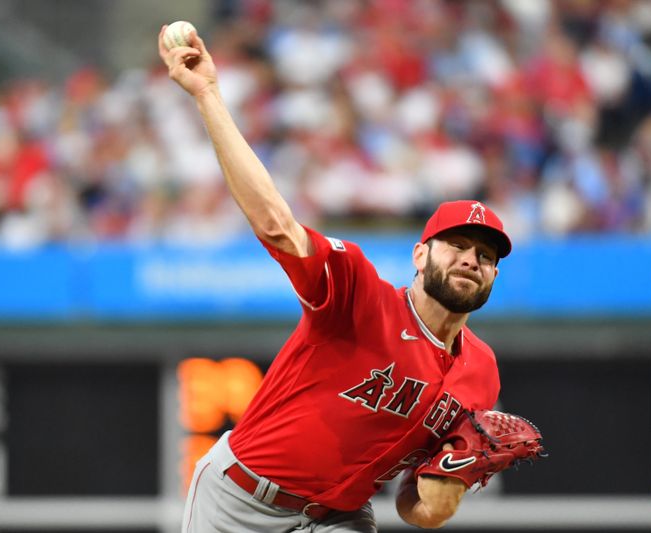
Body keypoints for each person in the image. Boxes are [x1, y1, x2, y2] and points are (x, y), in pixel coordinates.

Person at [160, 27, 513, 533]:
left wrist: (450, 483)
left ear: (494, 274)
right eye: (455, 245)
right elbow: (276, 225)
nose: (469, 259)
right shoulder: (359, 296)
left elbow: (417, 508)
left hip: (339, 518)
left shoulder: (481, 373)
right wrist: (209, 95)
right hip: (240, 500)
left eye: (484, 254)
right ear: (419, 254)